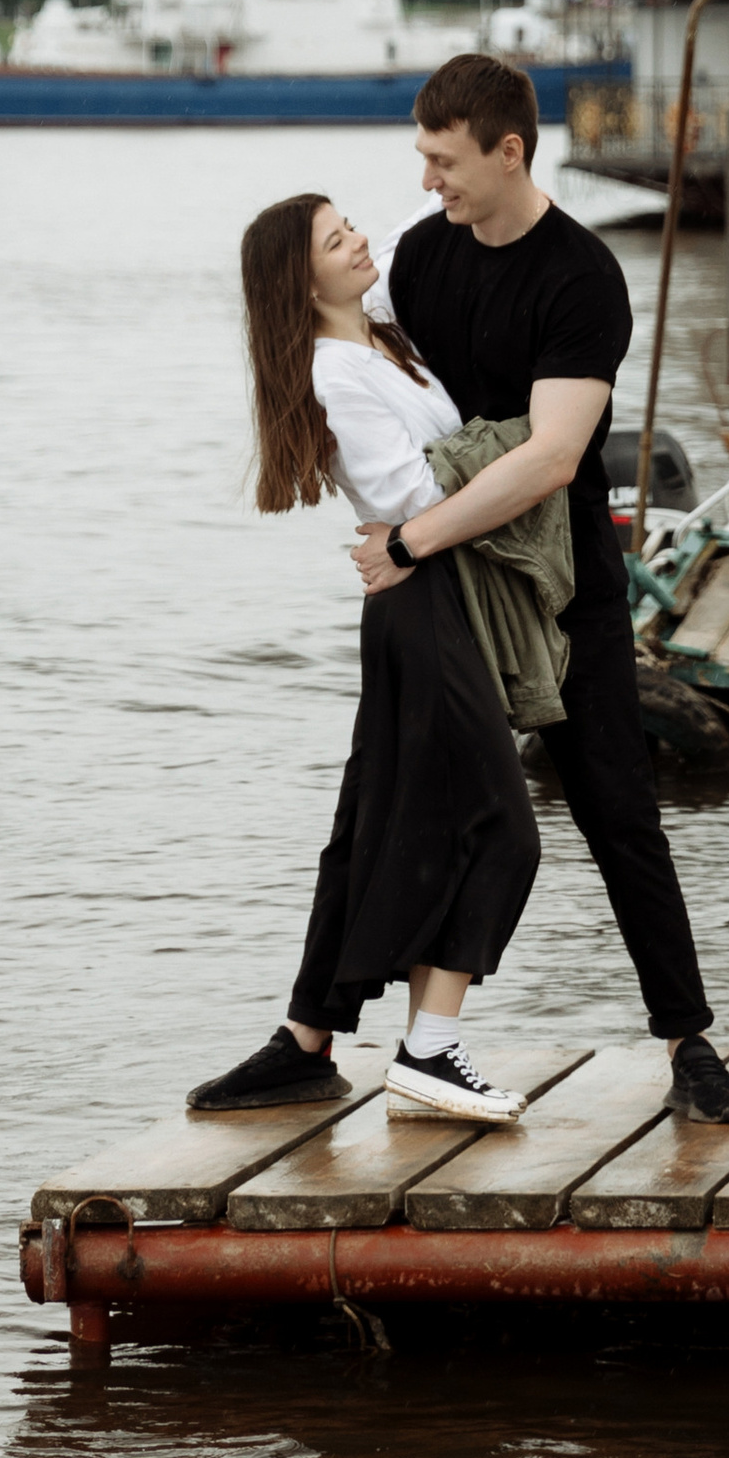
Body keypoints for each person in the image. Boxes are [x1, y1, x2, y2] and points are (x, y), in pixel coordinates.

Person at [191, 55, 729, 1128]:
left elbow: (551, 458)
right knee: (368, 806)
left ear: (509, 152)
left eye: (443, 161)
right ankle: (307, 1040)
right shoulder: (419, 257)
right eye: (420, 157)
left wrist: (404, 538)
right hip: (440, 584)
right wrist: (405, 541)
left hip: (554, 577)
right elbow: (353, 361)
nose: (425, 180)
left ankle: (688, 1043)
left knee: (615, 806)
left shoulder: (580, 277)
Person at [186, 191, 542, 1125]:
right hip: (421, 604)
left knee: (373, 826)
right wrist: (522, 448)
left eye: (349, 227)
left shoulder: (385, 335)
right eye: (334, 240)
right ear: (297, 282)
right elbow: (411, 492)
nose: (357, 241)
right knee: (504, 827)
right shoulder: (334, 370)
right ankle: (430, 1052)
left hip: (433, 599)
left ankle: (307, 1041)